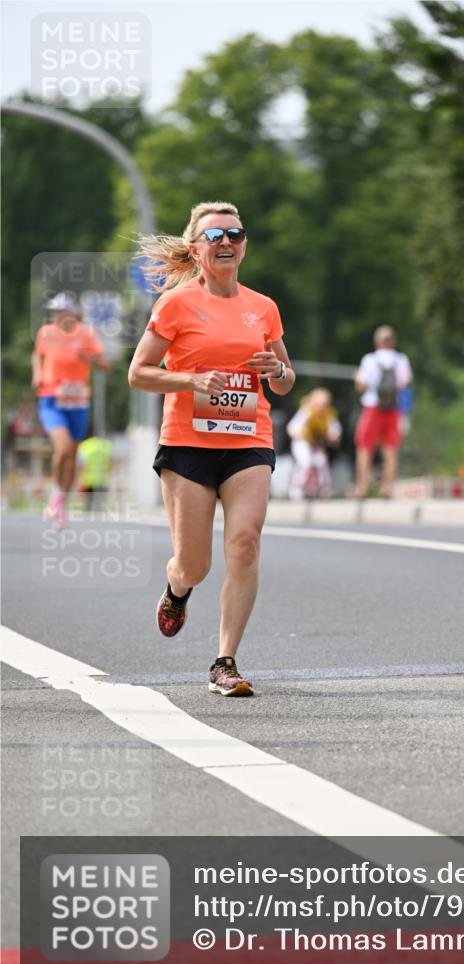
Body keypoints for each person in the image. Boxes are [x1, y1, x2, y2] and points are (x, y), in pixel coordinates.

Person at [128, 200, 295, 697]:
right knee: (195, 563)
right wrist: (192, 380)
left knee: (245, 542)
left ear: (245, 246)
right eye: (215, 236)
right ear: (196, 249)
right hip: (188, 445)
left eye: (235, 234)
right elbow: (139, 373)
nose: (226, 242)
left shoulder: (262, 307)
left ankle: (225, 662)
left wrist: (277, 372)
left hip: (248, 441)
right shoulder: (175, 304)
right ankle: (178, 589)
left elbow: (285, 382)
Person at [32, 291, 111, 527]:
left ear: (73, 313)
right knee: (63, 447)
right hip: (51, 399)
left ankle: (60, 502)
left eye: (61, 311)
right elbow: (37, 356)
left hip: (78, 403)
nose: (57, 315)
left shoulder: (86, 334)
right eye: (54, 311)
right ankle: (56, 495)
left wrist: (88, 358)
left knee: (72, 457)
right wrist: (37, 373)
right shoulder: (46, 333)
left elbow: (105, 365)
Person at [354, 325, 412, 498]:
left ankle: (362, 487)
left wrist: (357, 378)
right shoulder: (401, 360)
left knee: (365, 446)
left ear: (377, 342)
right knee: (390, 448)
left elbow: (362, 386)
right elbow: (404, 384)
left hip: (372, 406)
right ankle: (387, 488)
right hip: (393, 408)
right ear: (393, 342)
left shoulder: (370, 360)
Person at [287, 388, 342, 499]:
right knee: (306, 462)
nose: (321, 407)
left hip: (317, 445)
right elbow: (291, 428)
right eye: (318, 404)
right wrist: (299, 433)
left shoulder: (329, 414)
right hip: (302, 442)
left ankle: (322, 488)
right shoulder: (306, 412)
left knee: (321, 462)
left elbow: (336, 431)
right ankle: (298, 486)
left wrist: (333, 436)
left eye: (324, 404)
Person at [78, 434, 113, 510]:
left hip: (88, 481)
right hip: (102, 480)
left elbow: (81, 465)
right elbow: (109, 464)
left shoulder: (85, 446)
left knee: (88, 507)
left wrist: (80, 481)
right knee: (101, 507)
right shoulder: (105, 445)